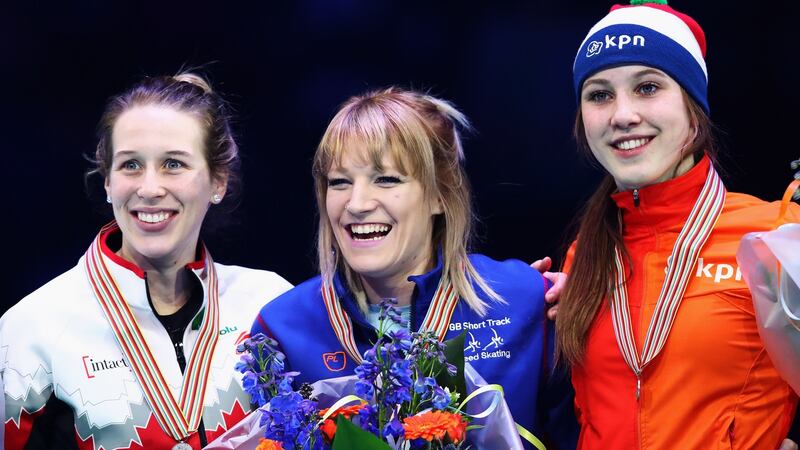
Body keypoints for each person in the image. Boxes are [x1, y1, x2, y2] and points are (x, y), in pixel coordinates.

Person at [251, 87, 578, 449]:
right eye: (339, 182)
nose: (356, 204)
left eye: (386, 179)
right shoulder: (282, 328)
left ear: (440, 194)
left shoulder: (524, 301)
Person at [0, 73, 293, 449]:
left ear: (218, 181)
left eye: (173, 164)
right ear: (107, 181)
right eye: (131, 165)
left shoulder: (269, 305)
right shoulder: (31, 330)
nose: (150, 188)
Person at [556, 1, 800, 448]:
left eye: (647, 87)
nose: (622, 115)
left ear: (693, 106)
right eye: (600, 94)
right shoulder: (584, 255)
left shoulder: (776, 234)